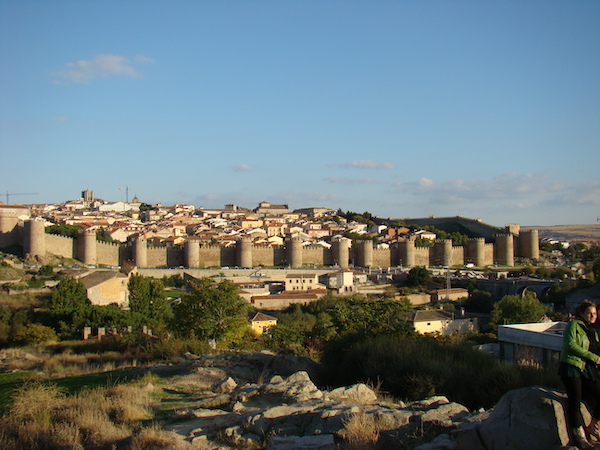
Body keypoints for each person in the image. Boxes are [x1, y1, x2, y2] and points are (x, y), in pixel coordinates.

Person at [560, 300, 600, 449]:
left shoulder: (592, 331)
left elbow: (596, 349)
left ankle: (594, 426)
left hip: (585, 369)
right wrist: (593, 358)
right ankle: (580, 436)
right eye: (589, 313)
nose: (592, 316)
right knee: (575, 400)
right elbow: (570, 345)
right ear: (581, 313)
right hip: (571, 367)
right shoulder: (574, 325)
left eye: (594, 313)